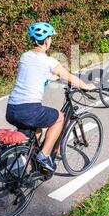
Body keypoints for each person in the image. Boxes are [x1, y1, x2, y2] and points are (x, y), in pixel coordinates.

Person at [6, 22, 96, 172]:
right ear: (47, 40)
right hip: (29, 110)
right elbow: (67, 76)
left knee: (38, 129)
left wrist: (49, 78)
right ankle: (44, 155)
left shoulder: (25, 56)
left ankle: (29, 160)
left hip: (11, 110)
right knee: (59, 117)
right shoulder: (49, 61)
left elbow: (33, 73)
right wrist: (85, 86)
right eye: (50, 38)